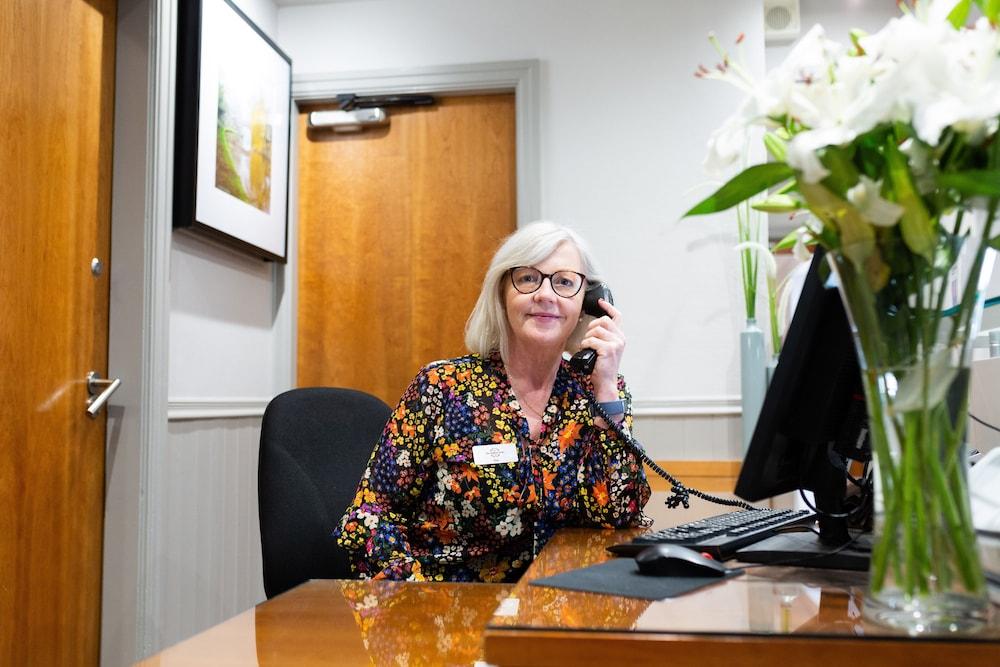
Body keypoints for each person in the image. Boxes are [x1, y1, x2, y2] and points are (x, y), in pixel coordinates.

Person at [335, 222, 651, 582]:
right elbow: (372, 515)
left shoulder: (599, 390)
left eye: (564, 282)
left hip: (561, 606)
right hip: (448, 614)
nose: (546, 294)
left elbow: (618, 513)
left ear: (589, 302)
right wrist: (414, 603)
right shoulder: (441, 387)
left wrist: (607, 387)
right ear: (502, 293)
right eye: (528, 278)